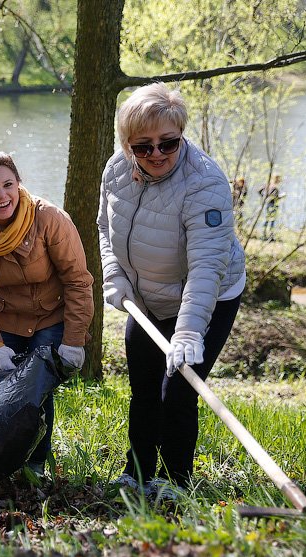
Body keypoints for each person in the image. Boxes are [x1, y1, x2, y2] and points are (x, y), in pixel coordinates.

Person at [98, 82, 246, 498]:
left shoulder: (205, 185)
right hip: (146, 298)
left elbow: (205, 269)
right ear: (127, 144)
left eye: (168, 143)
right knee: (144, 387)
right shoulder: (115, 171)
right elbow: (103, 228)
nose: (157, 154)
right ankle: (137, 473)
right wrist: (115, 275)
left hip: (206, 297)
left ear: (181, 134)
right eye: (143, 147)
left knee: (177, 391)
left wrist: (187, 332)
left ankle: (175, 482)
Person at [0, 148, 94, 477]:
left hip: (50, 318)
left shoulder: (50, 219)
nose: (2, 196)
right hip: (5, 321)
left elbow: (78, 281)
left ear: (19, 182)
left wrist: (73, 340)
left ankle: (35, 466)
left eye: (8, 185)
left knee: (35, 396)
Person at [259, 175, 283, 242]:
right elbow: (273, 196)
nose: (279, 181)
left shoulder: (269, 185)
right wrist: (279, 197)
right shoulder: (273, 186)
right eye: (279, 179)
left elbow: (260, 191)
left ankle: (267, 235)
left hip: (270, 204)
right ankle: (267, 236)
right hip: (271, 204)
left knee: (269, 220)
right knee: (270, 220)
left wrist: (264, 198)